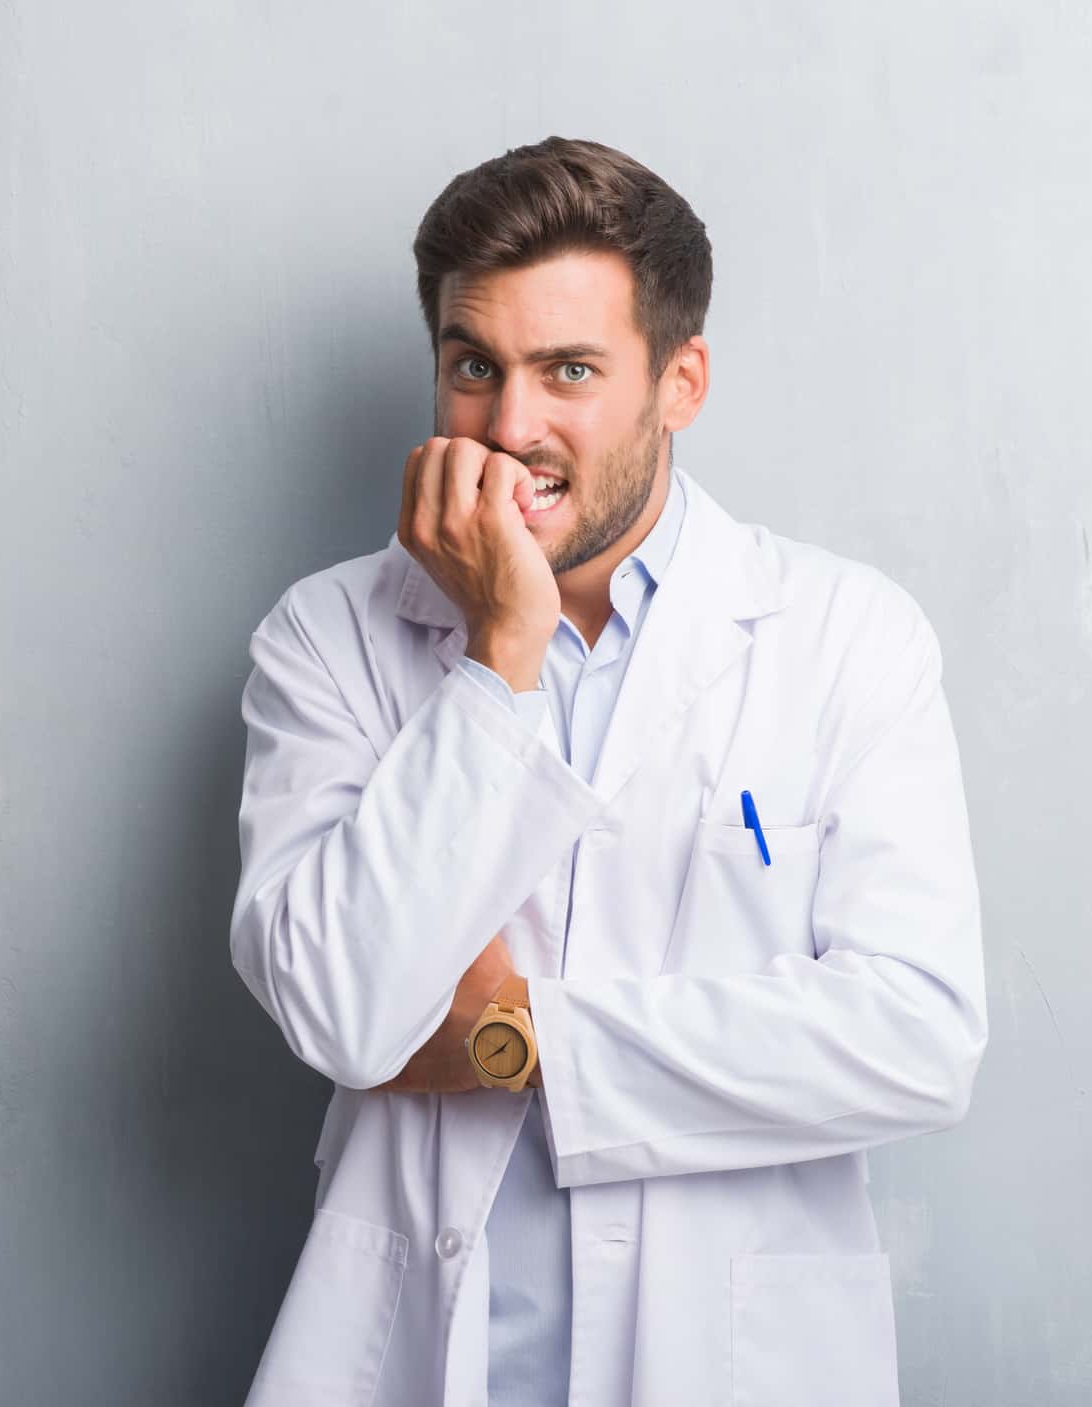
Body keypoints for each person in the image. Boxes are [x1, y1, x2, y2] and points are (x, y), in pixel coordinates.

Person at [229, 137, 987, 1406]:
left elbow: (915, 1036)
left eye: (568, 370)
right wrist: (499, 656)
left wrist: (520, 1040)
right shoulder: (329, 636)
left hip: (731, 1360)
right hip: (419, 1347)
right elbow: (342, 1012)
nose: (510, 427)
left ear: (679, 381)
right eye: (473, 367)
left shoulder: (848, 637)